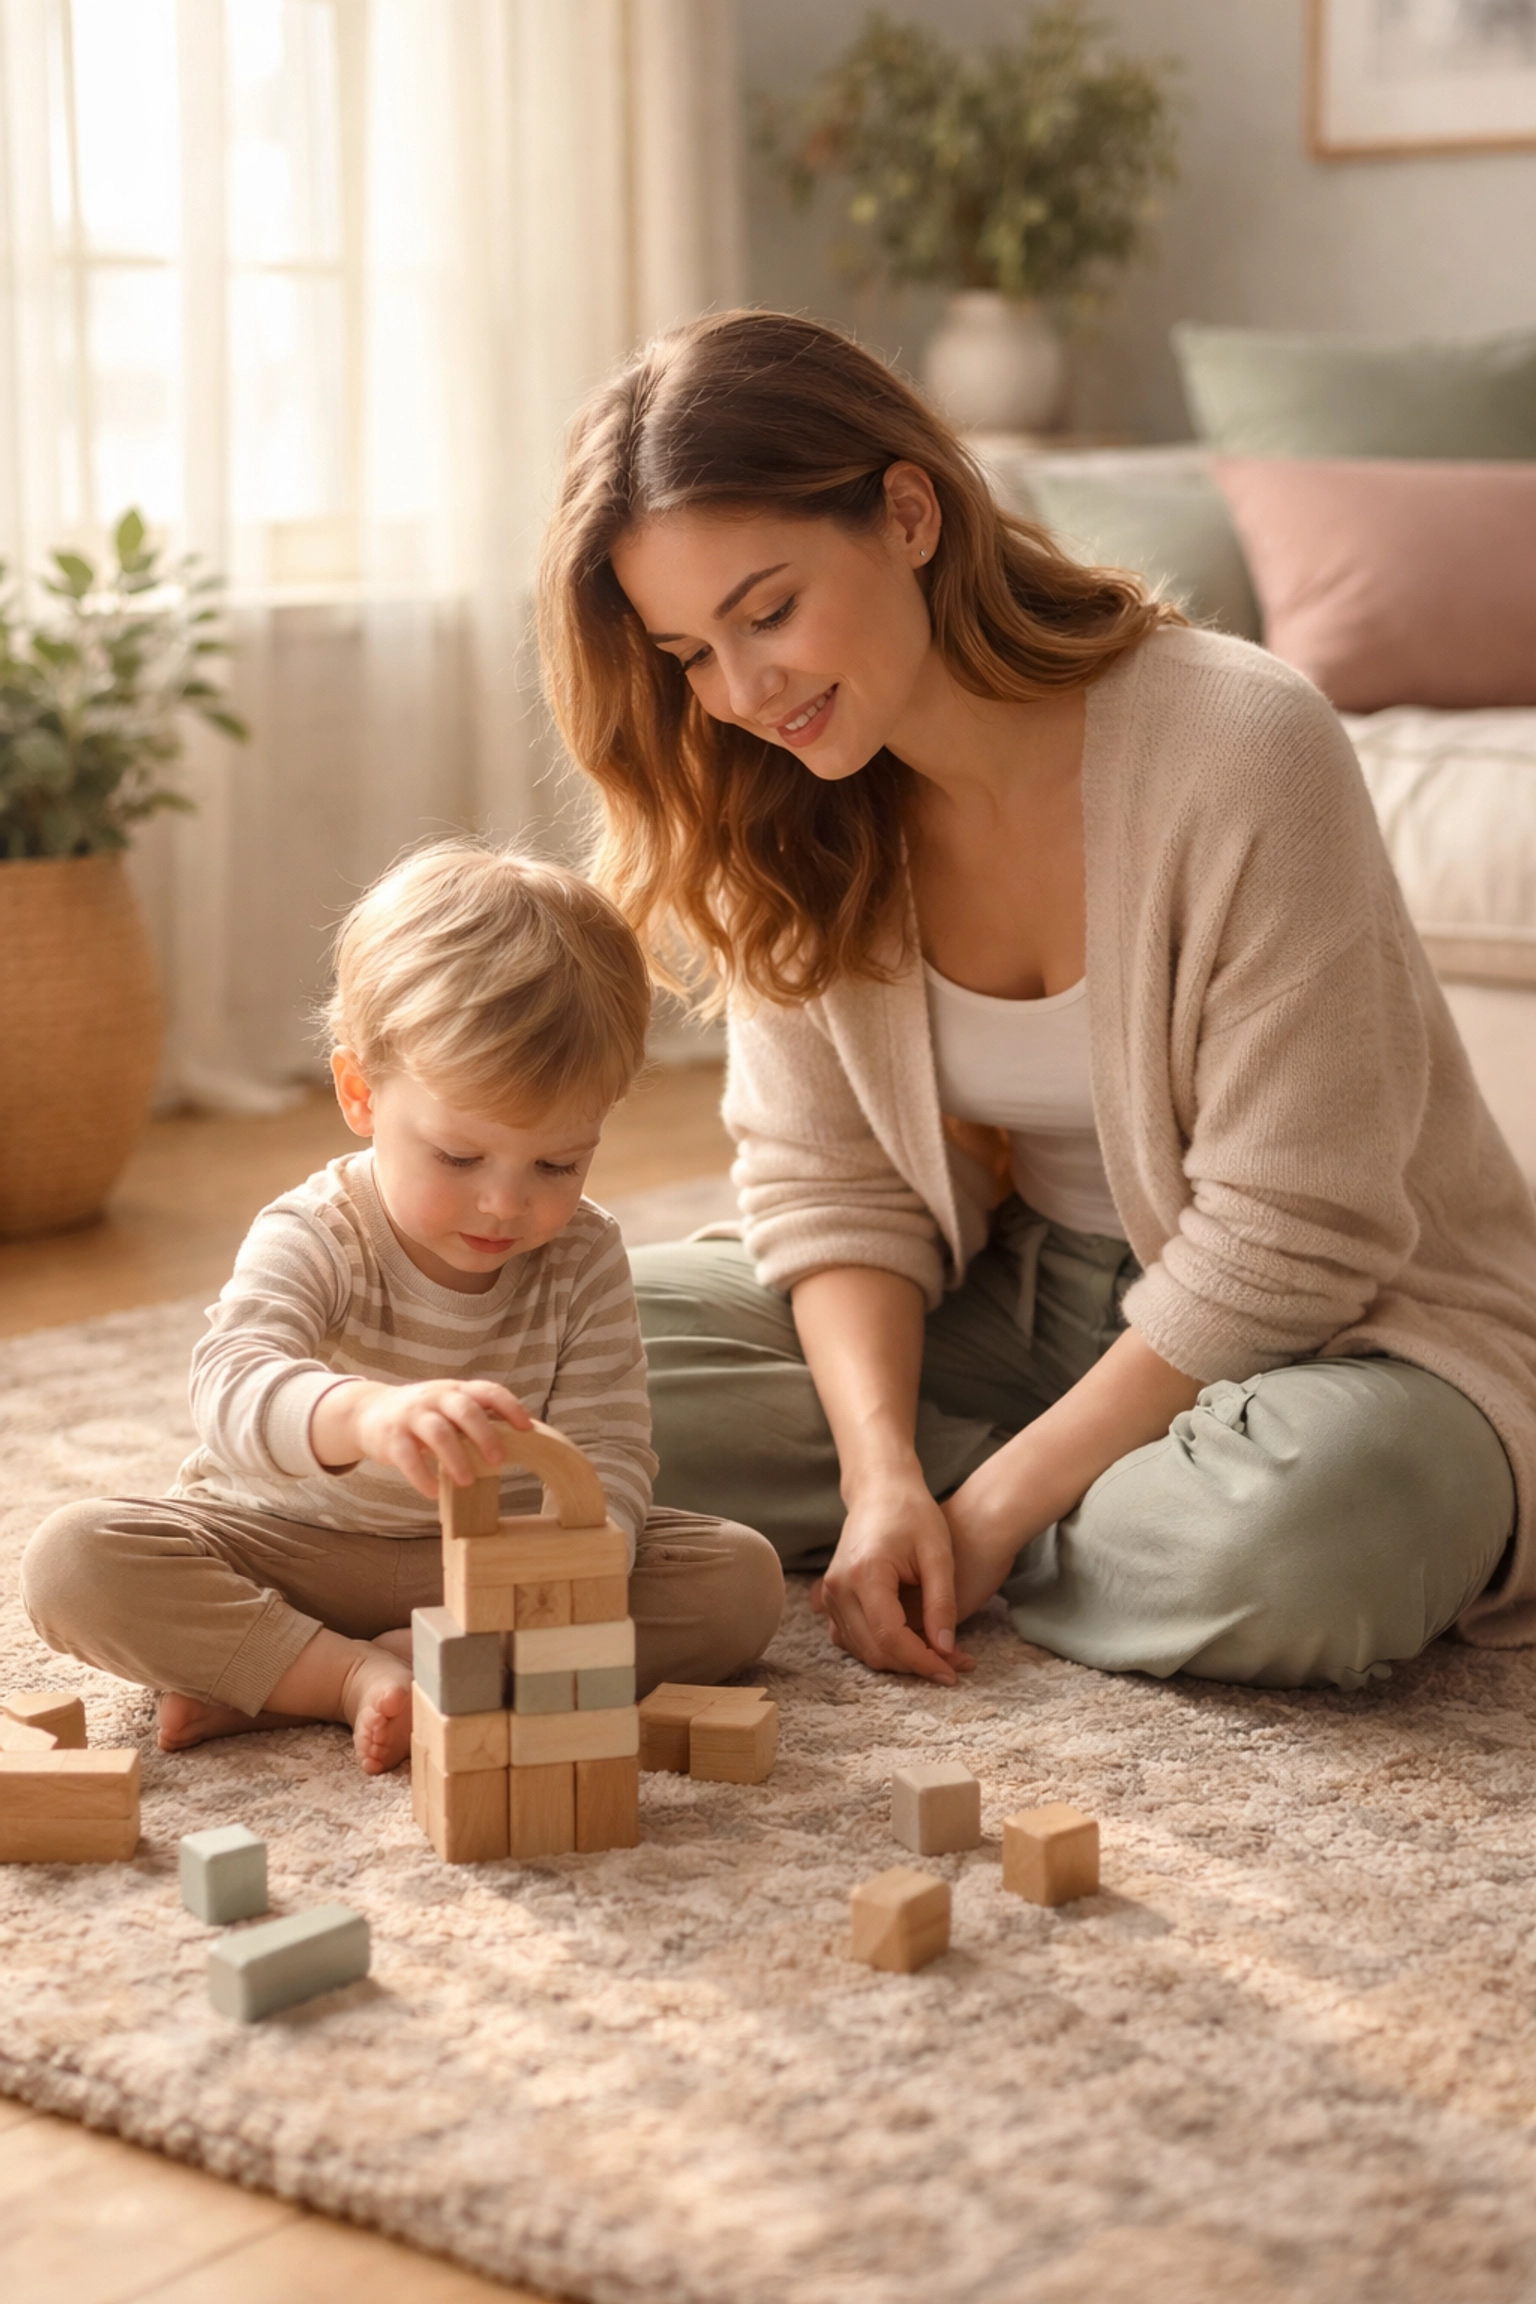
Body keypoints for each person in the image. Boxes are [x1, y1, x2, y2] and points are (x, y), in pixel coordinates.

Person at [535, 307, 1536, 1695]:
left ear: (907, 512)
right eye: (691, 653)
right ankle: (965, 1522)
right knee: (545, 1358)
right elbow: (830, 1189)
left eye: (767, 611)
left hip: (1336, 1337)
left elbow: (1296, 1235)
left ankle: (988, 1529)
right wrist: (884, 1470)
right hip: (1002, 1302)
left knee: (1311, 1537)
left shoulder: (1244, 741)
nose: (744, 691)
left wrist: (995, 1503)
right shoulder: (778, 809)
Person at [21, 843, 783, 1771]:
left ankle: (307, 1674)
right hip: (287, 1543)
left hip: (484, 1574)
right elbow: (230, 1386)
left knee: (739, 1583)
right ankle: (342, 1679)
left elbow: (611, 1453)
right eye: (460, 1158)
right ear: (360, 1094)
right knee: (73, 1560)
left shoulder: (582, 1254)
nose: (507, 1203)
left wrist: (560, 1574)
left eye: (558, 1163)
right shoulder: (320, 1230)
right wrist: (366, 1414)